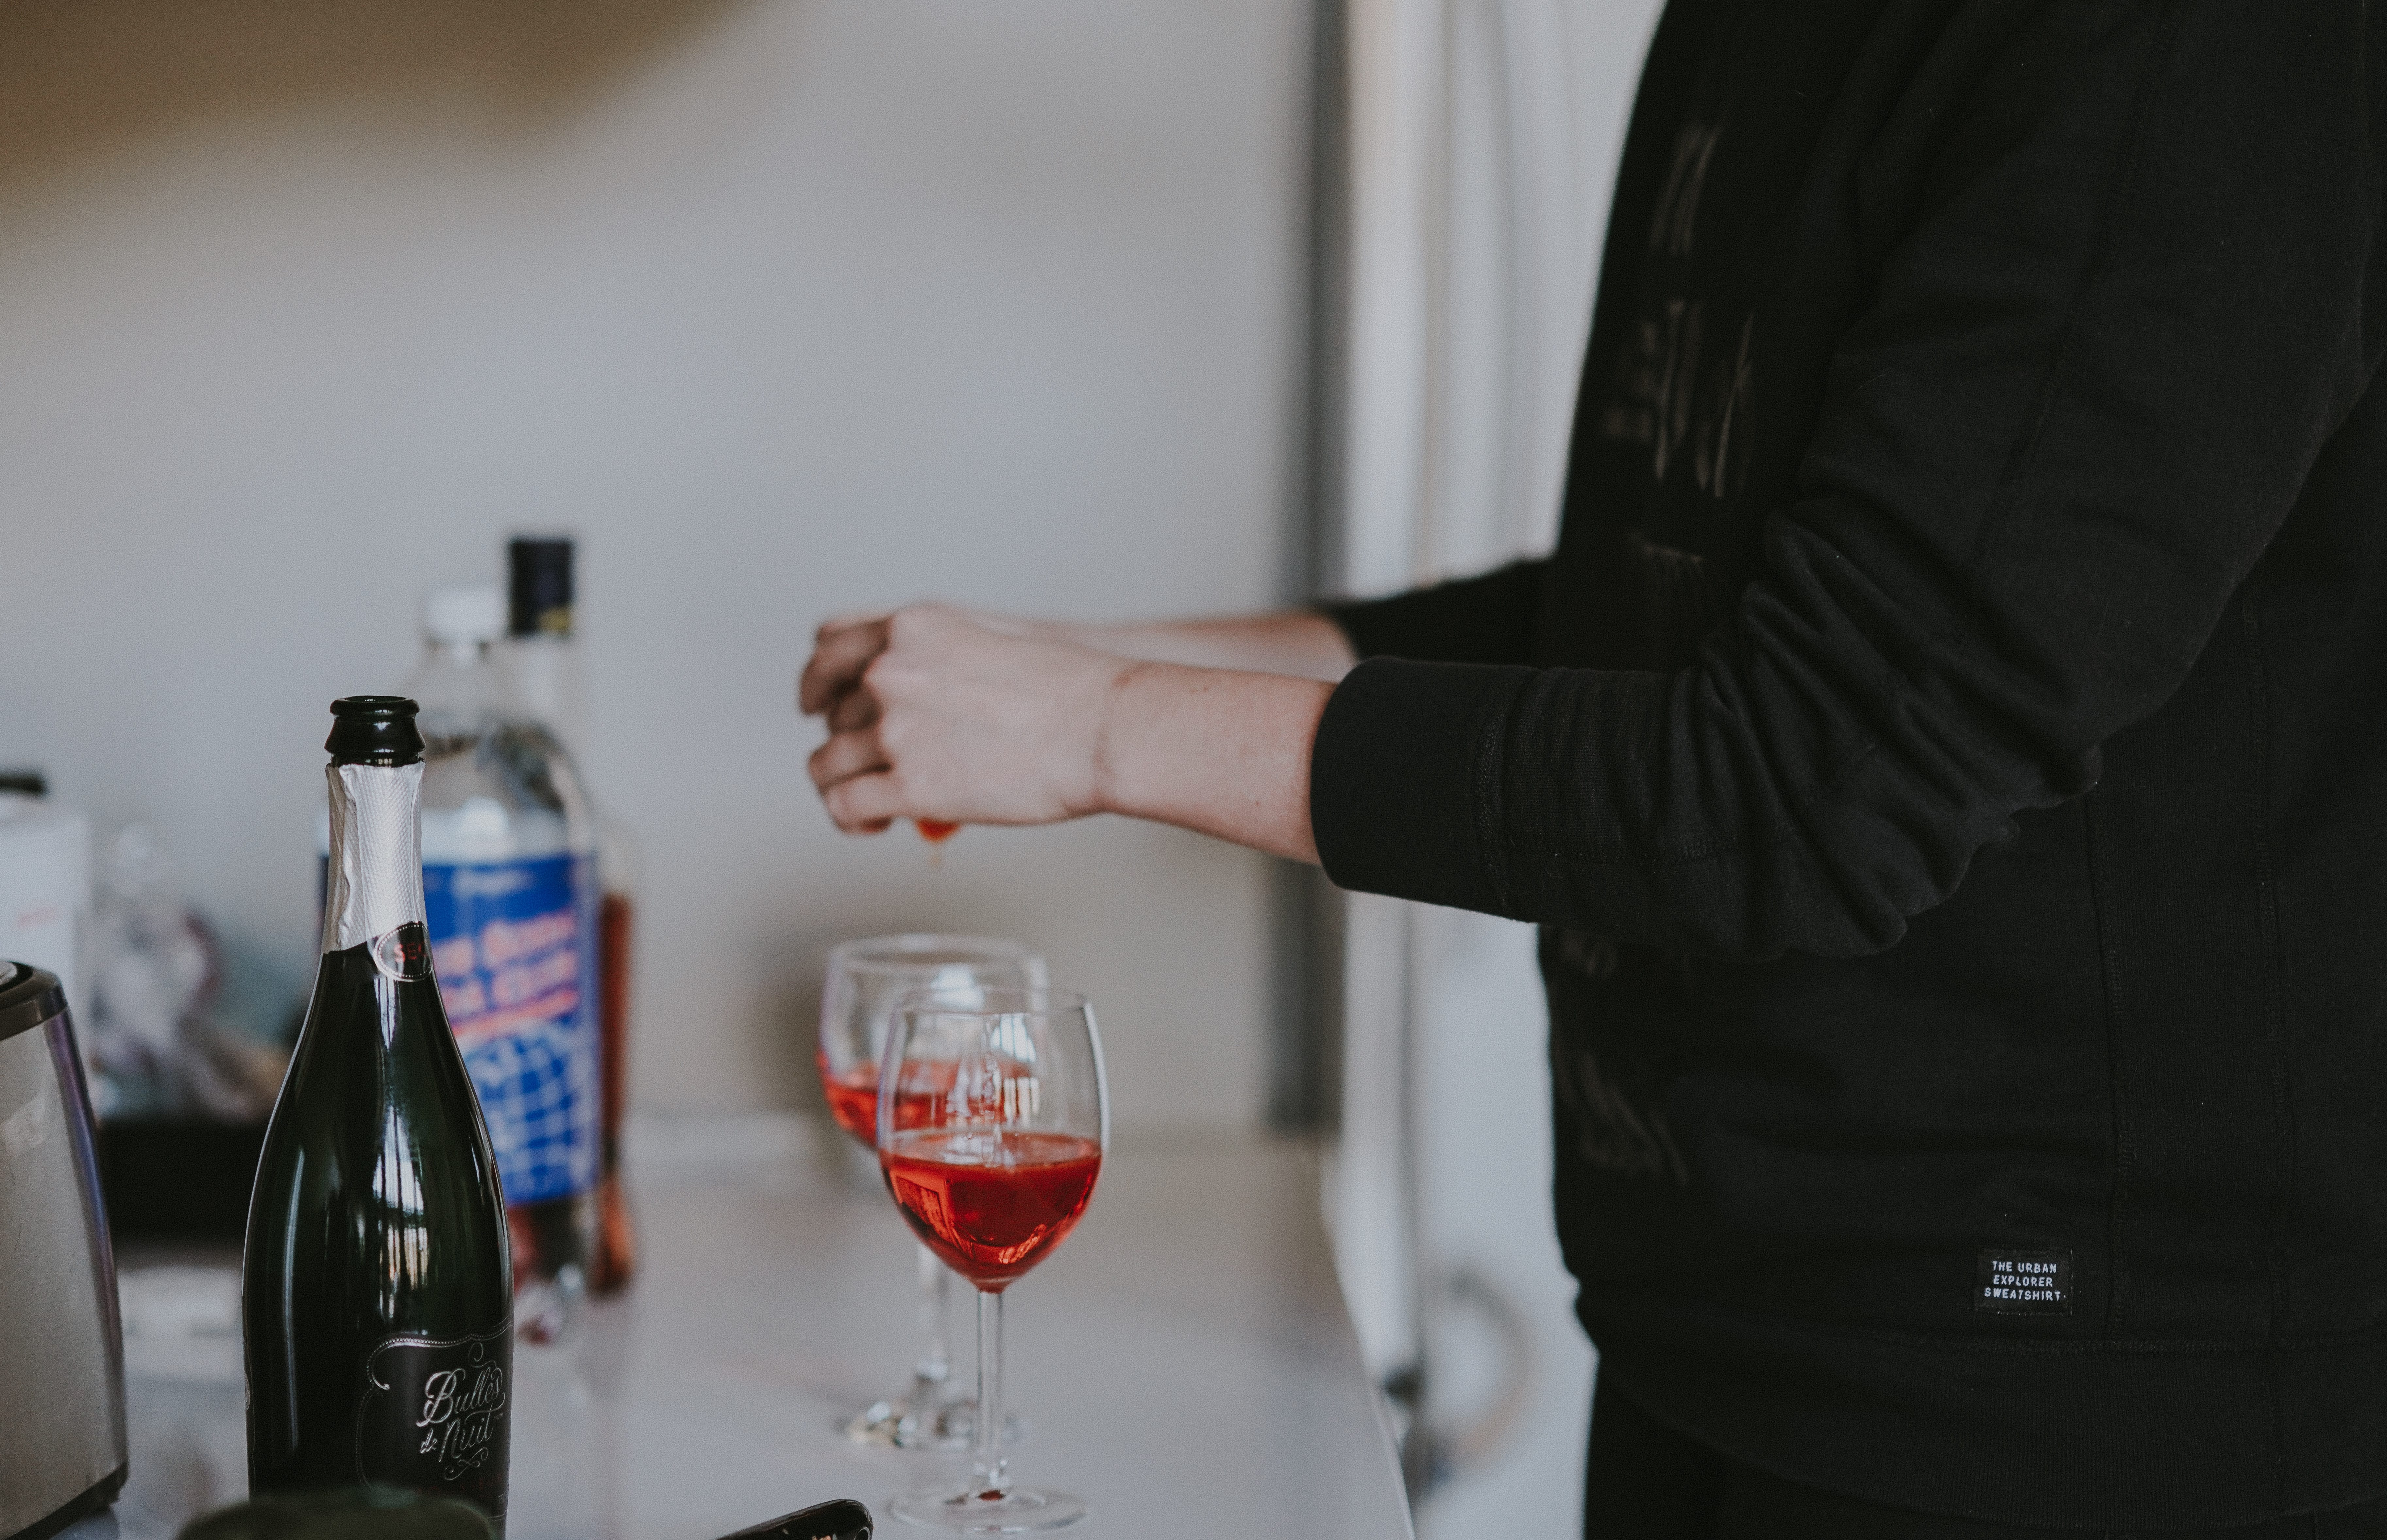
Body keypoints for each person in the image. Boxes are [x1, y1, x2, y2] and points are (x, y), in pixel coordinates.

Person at [801, 2, 2387, 1534]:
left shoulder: (2190, 43)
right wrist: (1073, 667)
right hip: (1718, 1312)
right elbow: (1659, 617)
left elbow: (1807, 779)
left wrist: (1102, 724)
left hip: (2058, 1412)